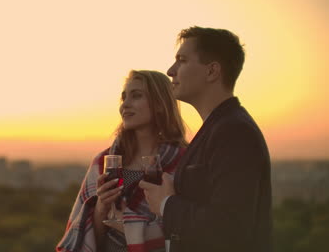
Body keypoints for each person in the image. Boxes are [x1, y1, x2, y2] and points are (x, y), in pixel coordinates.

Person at [139, 26, 272, 252]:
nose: (170, 70)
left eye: (182, 60)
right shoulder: (218, 127)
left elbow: (229, 228)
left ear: (212, 72)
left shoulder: (234, 132)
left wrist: (166, 204)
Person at [57, 70, 188, 252]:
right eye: (124, 98)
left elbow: (189, 230)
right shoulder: (103, 161)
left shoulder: (184, 162)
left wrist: (128, 226)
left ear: (159, 104)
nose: (125, 105)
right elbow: (85, 236)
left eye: (136, 96)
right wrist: (101, 208)